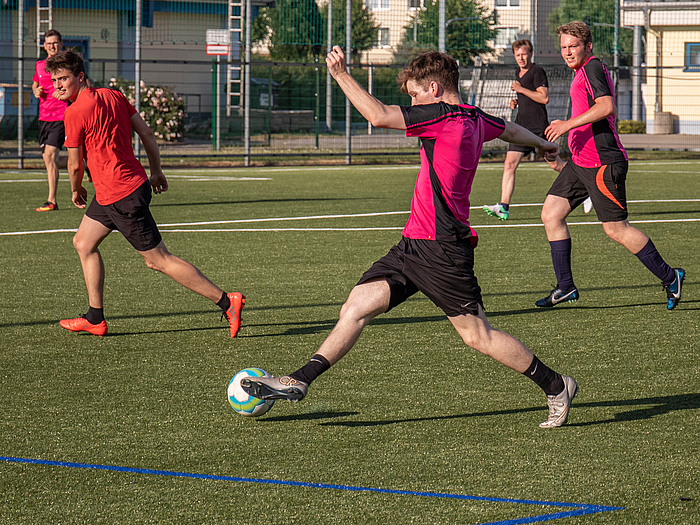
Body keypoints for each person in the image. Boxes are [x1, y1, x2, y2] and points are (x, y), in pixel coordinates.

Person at [242, 46, 578, 429]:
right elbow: (509, 128)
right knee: (357, 306)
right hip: (414, 243)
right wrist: (543, 143)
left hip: (441, 249)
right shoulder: (473, 117)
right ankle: (299, 380)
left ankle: (555, 385)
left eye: (415, 94)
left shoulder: (440, 115)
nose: (413, 102)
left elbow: (377, 115)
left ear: (434, 88)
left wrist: (339, 74)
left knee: (478, 336)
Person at [45, 50, 245, 337]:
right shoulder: (114, 95)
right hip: (122, 188)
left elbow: (75, 164)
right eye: (54, 80)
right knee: (83, 242)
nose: (58, 85)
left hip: (120, 194)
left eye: (63, 78)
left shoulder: (74, 112)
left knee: (158, 259)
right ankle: (94, 318)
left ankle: (227, 302)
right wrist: (157, 171)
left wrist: (76, 190)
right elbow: (147, 134)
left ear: (80, 76)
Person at [539, 21, 684, 310]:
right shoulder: (580, 72)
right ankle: (566, 286)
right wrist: (561, 152)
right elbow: (586, 112)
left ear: (588, 46)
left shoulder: (592, 66)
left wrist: (566, 125)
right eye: (564, 47)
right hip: (581, 163)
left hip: (603, 164)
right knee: (551, 214)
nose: (567, 52)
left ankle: (671, 276)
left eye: (573, 46)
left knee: (615, 229)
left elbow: (605, 107)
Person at [483, 39, 550, 221]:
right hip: (521, 125)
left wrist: (521, 89)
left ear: (531, 53)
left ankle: (585, 188)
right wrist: (518, 100)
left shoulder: (537, 72)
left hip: (537, 127)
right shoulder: (518, 72)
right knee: (509, 164)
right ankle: (503, 206)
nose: (521, 58)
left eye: (524, 54)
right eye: (517, 55)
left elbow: (543, 98)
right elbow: (530, 97)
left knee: (554, 163)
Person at [32, 29, 68, 212]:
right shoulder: (40, 65)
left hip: (62, 116)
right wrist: (35, 90)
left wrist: (62, 92)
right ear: (44, 46)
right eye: (49, 43)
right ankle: (83, 165)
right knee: (50, 158)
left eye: (55, 43)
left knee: (49, 155)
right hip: (43, 118)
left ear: (60, 44)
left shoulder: (67, 65)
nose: (52, 46)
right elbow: (35, 83)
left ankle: (52, 200)